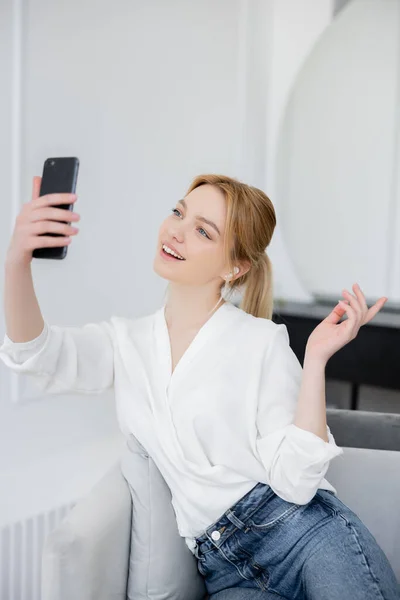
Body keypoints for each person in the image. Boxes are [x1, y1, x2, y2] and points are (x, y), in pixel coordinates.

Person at [1, 173, 398, 600]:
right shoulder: (126, 343)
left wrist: (316, 359)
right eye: (178, 212)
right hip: (225, 568)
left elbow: (296, 482)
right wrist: (16, 260)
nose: (176, 230)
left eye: (202, 231)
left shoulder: (261, 341)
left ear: (235, 266)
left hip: (304, 537)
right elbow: (37, 355)